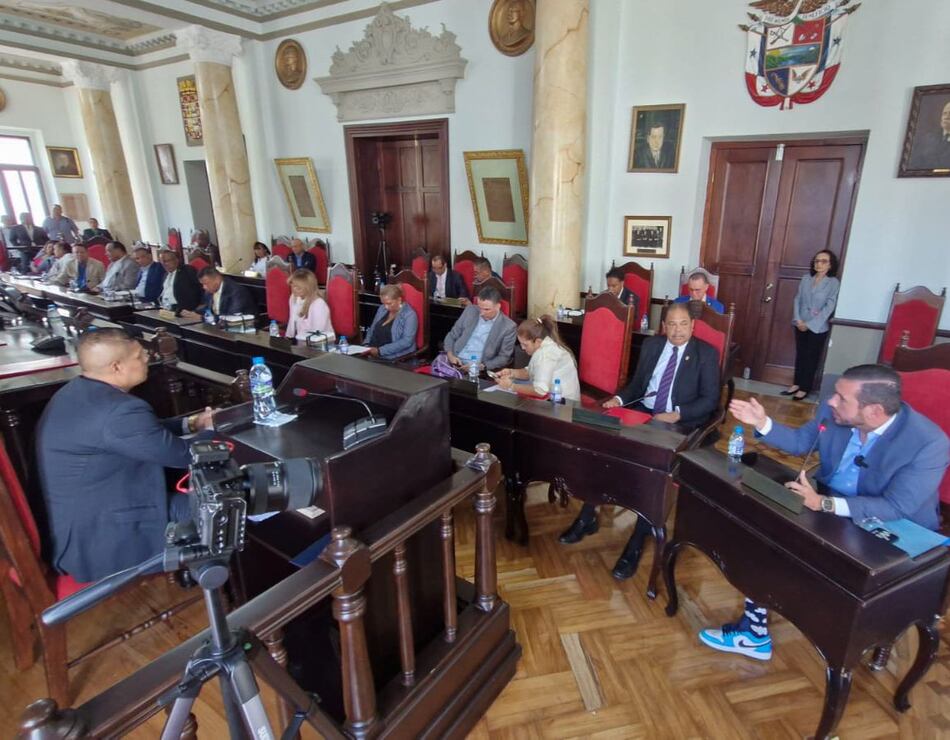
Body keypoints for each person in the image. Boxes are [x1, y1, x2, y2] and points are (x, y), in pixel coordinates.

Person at [700, 364, 949, 661]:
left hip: (893, 528)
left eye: (841, 398)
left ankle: (849, 632)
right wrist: (763, 422)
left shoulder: (929, 443)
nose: (831, 400)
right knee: (763, 532)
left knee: (805, 562)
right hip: (828, 504)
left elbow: (897, 506)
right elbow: (801, 442)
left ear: (874, 411)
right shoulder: (835, 413)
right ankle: (753, 633)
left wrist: (823, 504)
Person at [36, 328, 214, 582]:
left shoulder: (79, 392)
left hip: (84, 519)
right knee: (223, 508)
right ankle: (235, 589)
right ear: (117, 367)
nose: (148, 358)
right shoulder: (120, 411)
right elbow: (184, 455)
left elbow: (146, 433)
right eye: (139, 356)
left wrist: (193, 423)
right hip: (102, 537)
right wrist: (216, 429)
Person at [561, 302, 721, 580]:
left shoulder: (705, 354)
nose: (678, 330)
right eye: (672, 324)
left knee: (650, 472)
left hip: (678, 424)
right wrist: (618, 399)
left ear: (693, 326)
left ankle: (636, 541)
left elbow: (710, 401)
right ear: (664, 326)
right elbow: (637, 385)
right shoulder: (652, 346)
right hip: (642, 414)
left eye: (683, 324)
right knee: (603, 450)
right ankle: (588, 516)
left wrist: (677, 413)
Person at [782, 250, 840, 401]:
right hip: (800, 323)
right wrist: (798, 320)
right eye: (817, 261)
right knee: (800, 354)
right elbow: (798, 299)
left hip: (817, 326)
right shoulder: (806, 278)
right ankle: (796, 383)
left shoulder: (833, 283)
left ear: (830, 265)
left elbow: (829, 306)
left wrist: (810, 324)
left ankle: (805, 387)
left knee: (811, 357)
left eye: (823, 261)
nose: (819, 264)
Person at [495, 315, 580, 401]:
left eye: (525, 345)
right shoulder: (545, 345)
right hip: (556, 396)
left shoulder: (545, 354)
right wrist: (512, 372)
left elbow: (540, 390)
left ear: (538, 341)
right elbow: (531, 372)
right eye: (521, 344)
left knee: (507, 397)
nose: (522, 348)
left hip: (561, 402)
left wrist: (511, 386)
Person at [442, 286, 516, 371]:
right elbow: (452, 335)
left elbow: (504, 357)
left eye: (486, 309)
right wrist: (450, 355)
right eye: (480, 308)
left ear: (498, 306)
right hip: (454, 360)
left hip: (478, 367)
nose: (482, 313)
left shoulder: (508, 327)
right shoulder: (470, 310)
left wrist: (481, 366)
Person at [365, 284, 418, 360]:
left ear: (399, 300)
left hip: (394, 357)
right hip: (372, 352)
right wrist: (366, 345)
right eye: (383, 303)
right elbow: (372, 329)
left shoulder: (409, 315)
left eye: (389, 303)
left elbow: (406, 342)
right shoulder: (382, 308)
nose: (386, 307)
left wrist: (380, 351)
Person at [186, 267, 258, 319]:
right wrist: (192, 313)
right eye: (202, 284)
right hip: (217, 327)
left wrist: (202, 318)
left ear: (217, 279)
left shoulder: (237, 292)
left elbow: (231, 317)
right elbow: (208, 308)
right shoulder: (209, 291)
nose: (204, 287)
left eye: (206, 283)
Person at [285, 268, 335, 340]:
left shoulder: (318, 304)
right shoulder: (294, 298)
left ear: (308, 288)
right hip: (301, 339)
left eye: (298, 288)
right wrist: (289, 337)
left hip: (318, 341)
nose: (293, 290)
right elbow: (292, 320)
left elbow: (318, 333)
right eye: (292, 286)